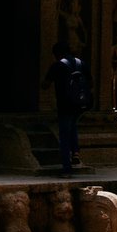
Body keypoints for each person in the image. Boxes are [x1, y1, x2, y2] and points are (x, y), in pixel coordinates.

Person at [42, 41, 89, 176]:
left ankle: (67, 168)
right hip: (80, 104)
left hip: (64, 104)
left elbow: (46, 84)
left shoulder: (58, 65)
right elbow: (90, 82)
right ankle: (75, 152)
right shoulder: (81, 64)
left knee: (64, 135)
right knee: (73, 127)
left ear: (56, 54)